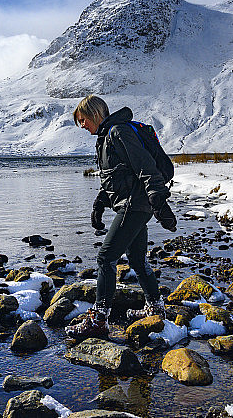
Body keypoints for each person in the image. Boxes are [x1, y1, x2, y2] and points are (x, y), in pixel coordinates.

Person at [67, 94, 177, 337]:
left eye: (83, 120)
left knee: (106, 258)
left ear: (95, 114)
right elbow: (117, 177)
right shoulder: (106, 137)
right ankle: (156, 309)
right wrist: (99, 203)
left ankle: (98, 319)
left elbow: (144, 167)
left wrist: (158, 199)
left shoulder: (119, 133)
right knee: (137, 260)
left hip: (135, 205)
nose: (83, 127)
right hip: (132, 205)